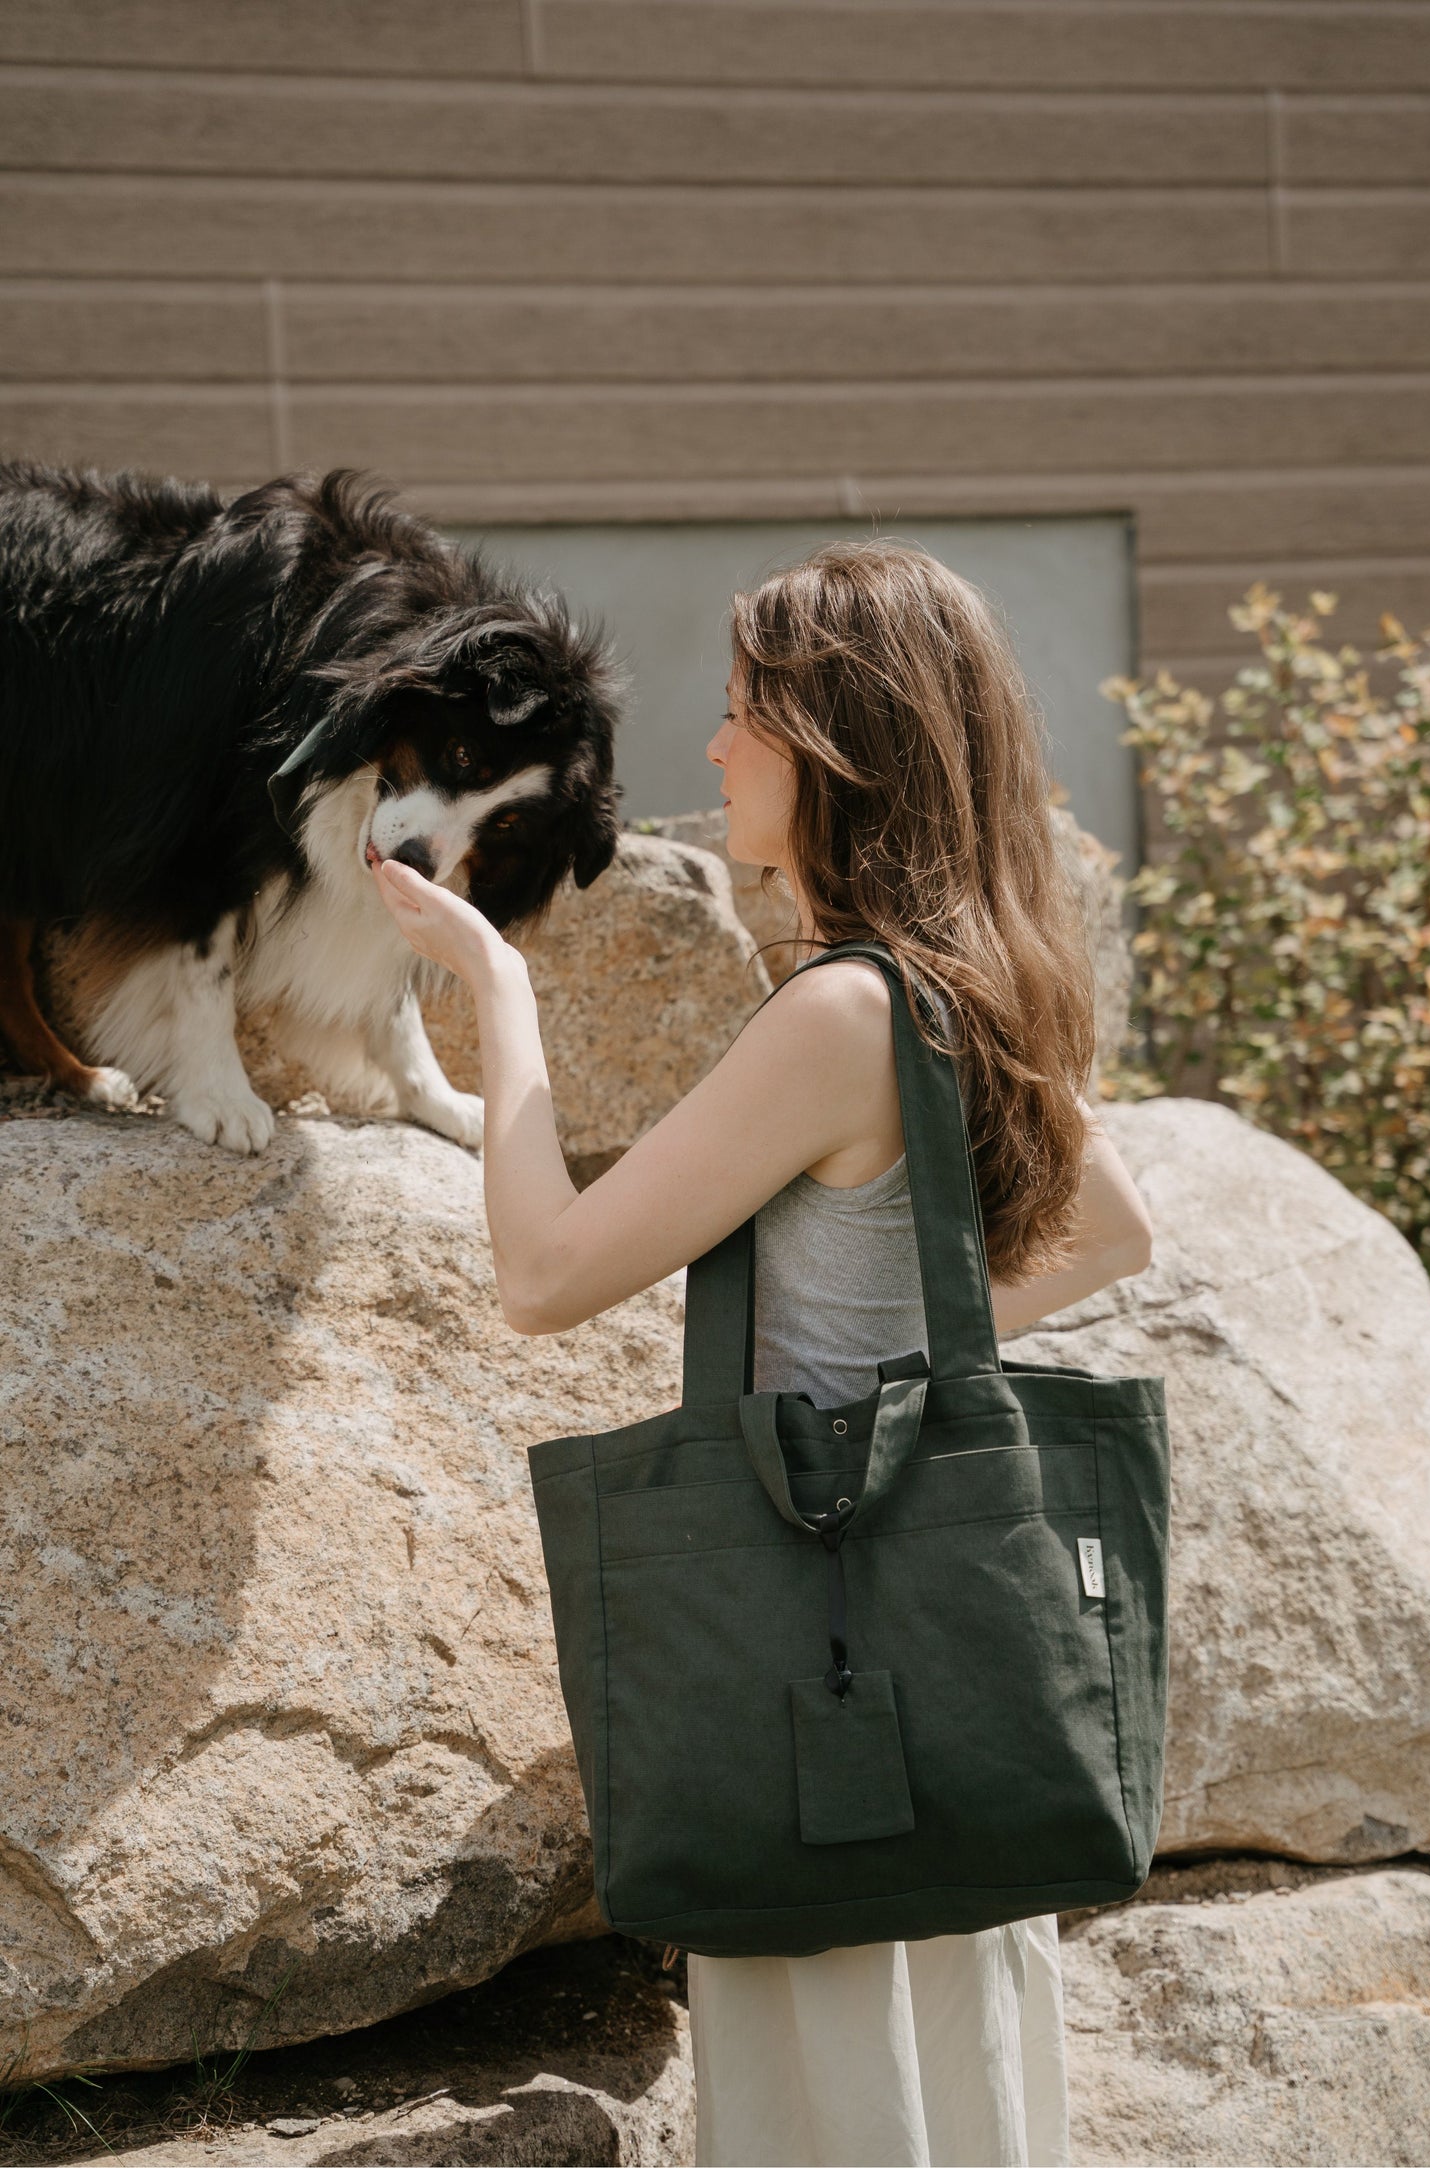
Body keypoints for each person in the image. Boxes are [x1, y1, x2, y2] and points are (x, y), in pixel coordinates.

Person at [370, 539, 1154, 2168]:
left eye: (744, 716)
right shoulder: (969, 980)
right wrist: (906, 1389)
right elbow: (1108, 1236)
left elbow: (542, 1271)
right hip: (957, 1730)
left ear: (840, 748)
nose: (712, 749)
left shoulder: (838, 1015)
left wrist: (498, 986)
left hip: (820, 1706)